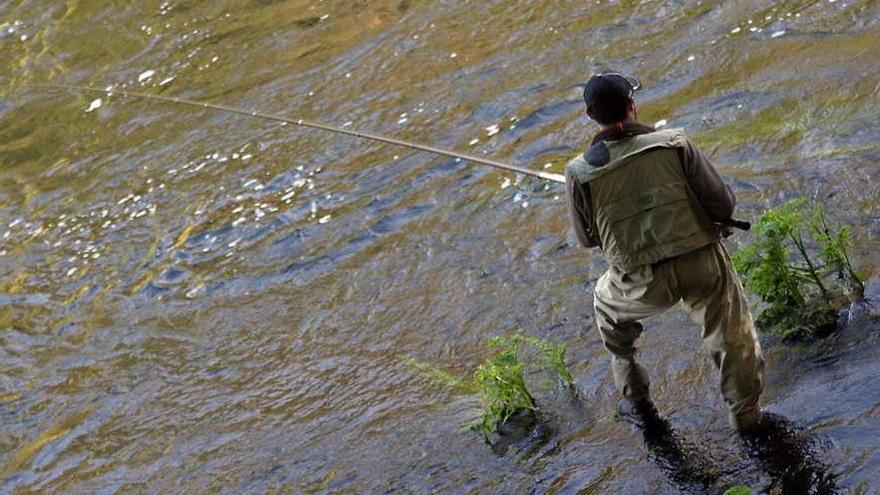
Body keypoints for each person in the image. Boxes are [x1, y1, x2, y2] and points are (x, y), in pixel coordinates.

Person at [565, 72, 765, 431]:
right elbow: (723, 207)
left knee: (605, 308)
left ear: (589, 115)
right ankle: (745, 417)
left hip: (638, 282)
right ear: (632, 106)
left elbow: (587, 239)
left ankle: (635, 396)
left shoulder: (579, 172)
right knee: (732, 336)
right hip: (701, 262)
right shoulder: (675, 143)